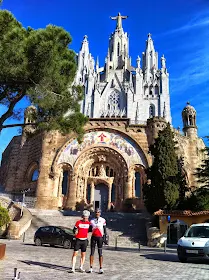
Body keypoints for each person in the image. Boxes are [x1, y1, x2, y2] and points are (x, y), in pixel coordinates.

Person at [88, 208, 108, 274]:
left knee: (100, 253)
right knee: (92, 252)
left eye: (98, 212)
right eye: (96, 212)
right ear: (95, 213)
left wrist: (105, 238)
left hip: (100, 237)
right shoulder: (92, 220)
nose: (97, 213)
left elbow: (105, 230)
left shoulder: (103, 220)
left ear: (100, 213)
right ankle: (91, 267)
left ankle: (101, 268)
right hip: (93, 237)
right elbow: (89, 229)